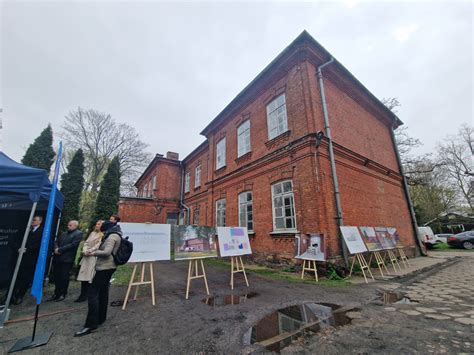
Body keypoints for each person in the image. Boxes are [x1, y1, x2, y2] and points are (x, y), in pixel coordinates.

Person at [74, 220, 122, 337]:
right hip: (109, 267)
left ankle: (91, 324)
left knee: (92, 293)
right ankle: (101, 318)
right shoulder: (115, 234)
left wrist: (93, 252)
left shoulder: (112, 236)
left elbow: (107, 252)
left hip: (105, 268)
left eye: (104, 230)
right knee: (103, 292)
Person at [11, 216, 44, 305]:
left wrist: (27, 249)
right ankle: (11, 295)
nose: (32, 221)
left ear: (40, 221)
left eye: (34, 220)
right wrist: (18, 248)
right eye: (32, 220)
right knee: (16, 277)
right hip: (19, 257)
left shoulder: (42, 232)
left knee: (25, 278)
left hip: (30, 259)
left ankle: (20, 296)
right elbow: (17, 239)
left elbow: (39, 244)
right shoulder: (26, 229)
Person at [47, 220, 83, 302]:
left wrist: (60, 249)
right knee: (56, 277)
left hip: (67, 259)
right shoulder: (63, 233)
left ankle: (63, 294)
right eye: (68, 225)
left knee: (64, 277)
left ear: (75, 226)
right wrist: (56, 248)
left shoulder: (78, 234)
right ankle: (56, 293)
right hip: (58, 258)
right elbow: (56, 241)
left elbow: (73, 245)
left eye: (70, 225)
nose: (68, 226)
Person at [75, 220, 104, 302]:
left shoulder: (102, 235)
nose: (97, 225)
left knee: (90, 277)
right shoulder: (92, 233)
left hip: (93, 257)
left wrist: (90, 251)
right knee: (83, 275)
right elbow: (86, 243)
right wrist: (85, 250)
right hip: (86, 257)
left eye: (99, 224)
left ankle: (88, 294)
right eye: (96, 224)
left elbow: (98, 245)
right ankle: (82, 294)